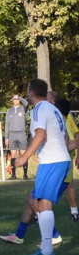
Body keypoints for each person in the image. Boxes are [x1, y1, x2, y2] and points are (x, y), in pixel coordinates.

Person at [0, 97, 77, 247]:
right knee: (31, 200)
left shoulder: (60, 122)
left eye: (52, 102)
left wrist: (26, 156)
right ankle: (19, 235)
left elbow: (65, 144)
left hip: (57, 170)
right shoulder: (59, 121)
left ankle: (53, 236)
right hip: (58, 168)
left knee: (37, 202)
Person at [14, 79, 71, 255]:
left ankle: (47, 251)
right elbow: (62, 135)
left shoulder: (39, 108)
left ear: (31, 92)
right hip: (57, 160)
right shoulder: (53, 108)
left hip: (53, 161)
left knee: (44, 203)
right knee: (38, 202)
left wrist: (24, 157)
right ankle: (46, 249)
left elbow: (40, 135)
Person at [47, 91, 79, 222]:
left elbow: (76, 135)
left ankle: (74, 212)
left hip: (66, 154)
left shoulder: (67, 116)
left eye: (48, 99)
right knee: (58, 184)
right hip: (57, 154)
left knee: (67, 184)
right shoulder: (51, 115)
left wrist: (78, 155)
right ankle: (41, 211)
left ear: (53, 101)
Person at [5, 94, 29, 180]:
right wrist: (6, 137)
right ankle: (13, 175)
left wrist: (19, 97)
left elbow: (27, 103)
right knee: (13, 154)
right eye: (14, 99)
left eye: (17, 99)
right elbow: (7, 125)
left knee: (23, 154)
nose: (16, 100)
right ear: (12, 100)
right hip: (12, 134)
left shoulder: (23, 109)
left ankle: (25, 175)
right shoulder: (9, 111)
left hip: (21, 133)